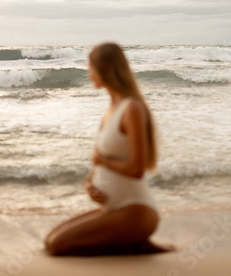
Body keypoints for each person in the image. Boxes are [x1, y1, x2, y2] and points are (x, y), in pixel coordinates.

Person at [44, 42, 173, 256]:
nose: (89, 73)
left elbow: (136, 169)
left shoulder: (131, 108)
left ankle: (134, 242)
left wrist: (103, 163)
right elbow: (99, 159)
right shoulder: (111, 110)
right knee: (50, 239)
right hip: (114, 209)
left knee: (57, 245)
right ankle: (132, 243)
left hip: (136, 211)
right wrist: (90, 183)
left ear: (104, 69)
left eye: (90, 67)